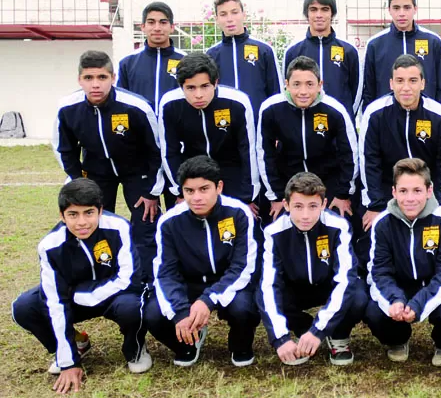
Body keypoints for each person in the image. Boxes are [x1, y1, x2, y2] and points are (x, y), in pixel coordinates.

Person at [12, 179, 151, 394]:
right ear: (62, 215)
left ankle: (135, 347)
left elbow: (128, 279)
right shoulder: (49, 246)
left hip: (113, 295)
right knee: (24, 307)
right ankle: (74, 345)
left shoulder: (119, 227)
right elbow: (55, 302)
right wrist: (69, 363)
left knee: (133, 306)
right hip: (72, 300)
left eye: (89, 213)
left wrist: (82, 294)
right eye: (73, 215)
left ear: (100, 211)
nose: (82, 222)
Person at [53, 50, 164, 282]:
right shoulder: (67, 108)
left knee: (145, 227)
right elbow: (65, 149)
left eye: (102, 77)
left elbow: (156, 150)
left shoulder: (137, 106)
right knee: (95, 225)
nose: (95, 84)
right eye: (89, 78)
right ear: (79, 80)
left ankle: (148, 281)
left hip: (137, 172)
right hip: (95, 175)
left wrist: (151, 192)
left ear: (113, 78)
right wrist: (79, 182)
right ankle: (101, 276)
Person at [145, 156, 260, 367]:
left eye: (204, 189)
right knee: (153, 314)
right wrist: (180, 312)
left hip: (228, 282)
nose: (196, 197)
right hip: (190, 284)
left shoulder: (239, 213)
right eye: (189, 191)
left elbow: (242, 267)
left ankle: (240, 345)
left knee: (245, 308)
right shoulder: (169, 222)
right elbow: (165, 273)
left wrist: (208, 300)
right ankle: (188, 342)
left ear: (219, 187)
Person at [258, 172, 367, 367]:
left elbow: (345, 280)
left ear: (324, 205)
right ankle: (302, 328)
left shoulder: (338, 226)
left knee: (358, 296)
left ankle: (337, 335)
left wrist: (319, 330)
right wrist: (280, 338)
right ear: (286, 205)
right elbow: (268, 285)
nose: (305, 215)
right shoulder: (273, 233)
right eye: (298, 206)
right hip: (295, 288)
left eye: (313, 206)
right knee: (263, 296)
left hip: (327, 285)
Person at [364, 159, 441, 366]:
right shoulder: (382, 223)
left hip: (434, 283)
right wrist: (395, 300)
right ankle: (398, 339)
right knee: (374, 311)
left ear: (429, 191)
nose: (410, 198)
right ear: (393, 192)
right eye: (403, 191)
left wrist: (419, 304)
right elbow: (379, 271)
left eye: (417, 190)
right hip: (400, 286)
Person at [359, 55, 441, 234]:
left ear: (422, 83)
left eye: (413, 80)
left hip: (429, 197)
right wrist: (375, 205)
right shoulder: (375, 114)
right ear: (391, 83)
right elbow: (369, 162)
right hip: (388, 198)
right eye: (400, 81)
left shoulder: (439, 116)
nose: (406, 88)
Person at [257, 56, 358, 222]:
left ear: (320, 85)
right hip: (287, 182)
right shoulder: (270, 109)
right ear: (287, 84)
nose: (303, 91)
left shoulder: (335, 110)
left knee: (340, 222)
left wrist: (343, 194)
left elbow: (349, 154)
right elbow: (264, 153)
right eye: (296, 84)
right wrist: (275, 196)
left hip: (327, 181)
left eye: (310, 84)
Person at [158, 52, 259, 208]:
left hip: (231, 168)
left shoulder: (238, 102)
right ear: (181, 86)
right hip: (192, 170)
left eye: (205, 86)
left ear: (215, 82)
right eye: (190, 88)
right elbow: (169, 151)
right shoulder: (169, 105)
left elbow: (248, 150)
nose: (199, 95)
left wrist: (248, 197)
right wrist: (179, 191)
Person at [362, 0, 441, 111]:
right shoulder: (375, 44)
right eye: (396, 8)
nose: (401, 13)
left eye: (407, 7)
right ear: (389, 10)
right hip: (387, 119)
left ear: (415, 9)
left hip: (425, 119)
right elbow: (368, 91)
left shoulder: (433, 41)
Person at [283, 0, 362, 117]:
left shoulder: (349, 50)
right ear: (307, 14)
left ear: (332, 13)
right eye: (313, 9)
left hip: (339, 125)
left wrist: (344, 116)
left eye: (324, 9)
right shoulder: (293, 51)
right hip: (304, 123)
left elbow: (357, 90)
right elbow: (287, 88)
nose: (319, 15)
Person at [205, 0, 281, 113]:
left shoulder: (264, 50)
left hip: (258, 121)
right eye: (223, 14)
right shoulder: (210, 55)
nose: (230, 19)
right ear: (217, 19)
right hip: (224, 124)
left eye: (234, 12)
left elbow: (276, 92)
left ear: (244, 15)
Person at [117, 1, 186, 113]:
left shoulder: (186, 61)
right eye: (151, 22)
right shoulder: (127, 63)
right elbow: (120, 100)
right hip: (141, 127)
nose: (157, 28)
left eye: (163, 22)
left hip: (176, 127)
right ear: (143, 27)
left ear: (172, 27)